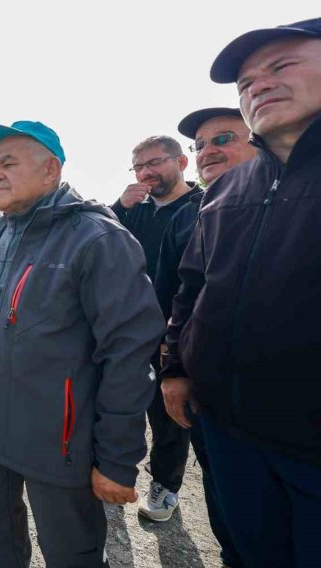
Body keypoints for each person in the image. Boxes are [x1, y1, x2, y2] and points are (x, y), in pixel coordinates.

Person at [0, 121, 164, 568]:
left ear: (50, 170)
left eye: (7, 162)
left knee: (72, 552)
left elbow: (128, 354)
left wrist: (116, 458)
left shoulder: (97, 238)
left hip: (59, 441)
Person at [166, 17, 321, 568]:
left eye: (281, 67)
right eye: (246, 82)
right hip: (228, 431)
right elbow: (192, 290)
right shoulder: (228, 190)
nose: (259, 85)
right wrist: (176, 371)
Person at [149, 107, 255, 568]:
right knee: (226, 500)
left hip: (287, 403)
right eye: (201, 144)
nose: (209, 150)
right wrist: (172, 368)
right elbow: (175, 296)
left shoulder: (303, 196)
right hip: (208, 392)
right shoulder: (187, 217)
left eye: (224, 138)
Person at [109, 135, 201, 522]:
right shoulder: (134, 210)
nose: (146, 172)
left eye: (155, 162)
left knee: (167, 415)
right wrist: (119, 206)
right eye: (139, 165)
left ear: (181, 163)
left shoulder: (202, 207)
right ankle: (112, 474)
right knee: (118, 405)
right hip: (127, 329)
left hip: (174, 332)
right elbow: (97, 246)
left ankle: (166, 485)